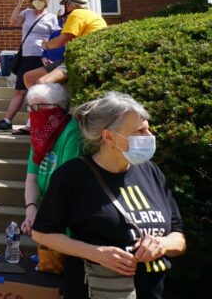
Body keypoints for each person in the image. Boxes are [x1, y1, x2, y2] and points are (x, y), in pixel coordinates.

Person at [32, 92, 186, 299]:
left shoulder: (151, 172)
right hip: (95, 290)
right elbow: (42, 233)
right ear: (108, 137)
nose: (149, 136)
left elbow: (178, 236)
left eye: (148, 128)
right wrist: (95, 253)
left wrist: (162, 245)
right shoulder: (74, 175)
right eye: (139, 131)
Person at [20, 83, 81, 243]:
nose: (34, 113)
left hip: (66, 216)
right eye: (30, 108)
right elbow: (31, 179)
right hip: (49, 211)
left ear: (59, 107)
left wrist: (43, 217)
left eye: (39, 107)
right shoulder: (40, 135)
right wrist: (31, 209)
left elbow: (65, 183)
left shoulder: (72, 131)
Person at [0, 0, 59, 134]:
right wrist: (19, 3)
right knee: (20, 90)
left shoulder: (51, 17)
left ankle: (32, 123)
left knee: (38, 92)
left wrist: (49, 55)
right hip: (26, 57)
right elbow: (13, 21)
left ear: (45, 0)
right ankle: (7, 121)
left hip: (41, 58)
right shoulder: (27, 13)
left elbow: (56, 39)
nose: (36, 2)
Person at [34, 0, 108, 86]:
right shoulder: (93, 15)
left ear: (68, 4)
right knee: (29, 77)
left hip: (81, 60)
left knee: (41, 83)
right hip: (87, 59)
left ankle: (50, 100)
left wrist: (45, 44)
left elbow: (60, 41)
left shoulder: (77, 13)